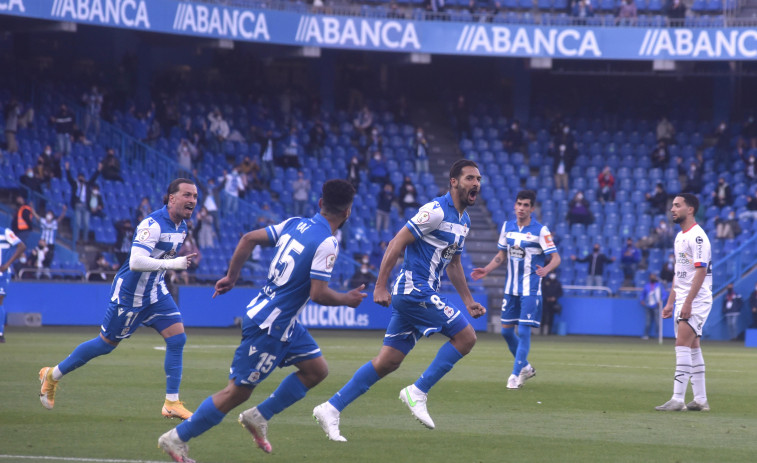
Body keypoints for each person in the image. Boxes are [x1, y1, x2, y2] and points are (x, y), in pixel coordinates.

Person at [157, 179, 366, 461]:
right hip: (271, 326)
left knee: (316, 370)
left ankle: (259, 416)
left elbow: (248, 239)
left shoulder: (295, 223)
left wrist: (232, 277)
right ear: (348, 212)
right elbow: (318, 293)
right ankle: (176, 438)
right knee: (236, 392)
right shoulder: (327, 242)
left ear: (320, 203)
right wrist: (346, 299)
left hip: (281, 320)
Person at [313, 160, 486, 441]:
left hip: (422, 292)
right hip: (414, 289)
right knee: (466, 338)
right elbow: (396, 242)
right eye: (469, 178)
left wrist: (467, 301)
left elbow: (453, 262)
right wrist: (380, 285)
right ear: (453, 182)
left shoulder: (464, 221)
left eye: (478, 179)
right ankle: (417, 391)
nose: (476, 183)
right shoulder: (434, 211)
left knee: (387, 361)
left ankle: (331, 408)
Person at [39, 179, 200, 420]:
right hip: (130, 296)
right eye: (187, 195)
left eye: (195, 196)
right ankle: (51, 375)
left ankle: (171, 403)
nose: (192, 201)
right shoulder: (152, 224)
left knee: (177, 338)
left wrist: (167, 268)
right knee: (104, 345)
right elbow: (136, 262)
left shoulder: (182, 227)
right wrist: (173, 263)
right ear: (172, 197)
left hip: (155, 293)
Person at [471, 189, 561, 389]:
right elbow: (501, 255)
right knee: (505, 332)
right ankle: (526, 368)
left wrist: (546, 269)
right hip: (510, 288)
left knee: (524, 331)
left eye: (526, 205)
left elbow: (556, 258)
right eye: (519, 204)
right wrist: (486, 269)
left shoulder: (541, 231)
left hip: (530, 289)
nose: (521, 208)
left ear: (532, 208)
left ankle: (514, 375)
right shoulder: (507, 227)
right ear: (514, 205)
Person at [655, 193, 712, 412]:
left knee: (682, 344)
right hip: (685, 298)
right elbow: (680, 274)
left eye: (677, 206)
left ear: (690, 210)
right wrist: (671, 302)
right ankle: (700, 399)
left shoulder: (697, 237)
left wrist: (687, 302)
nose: (672, 209)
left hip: (696, 299)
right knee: (693, 346)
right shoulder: (680, 237)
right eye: (672, 206)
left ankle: (678, 399)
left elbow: (701, 270)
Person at [0, 228, 27, 342]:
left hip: (2, 273)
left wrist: (7, 264)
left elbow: (21, 246)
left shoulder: (5, 232)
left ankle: (0, 333)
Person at [66, 161, 101, 244]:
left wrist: (98, 170)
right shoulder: (75, 184)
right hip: (78, 205)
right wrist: (67, 169)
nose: (81, 179)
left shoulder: (87, 184)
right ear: (78, 178)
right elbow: (69, 178)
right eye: (80, 177)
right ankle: (76, 239)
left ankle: (85, 240)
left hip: (86, 206)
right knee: (77, 223)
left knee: (86, 224)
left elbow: (93, 178)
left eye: (82, 177)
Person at [640, 274, 665, 339]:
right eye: (651, 277)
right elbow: (643, 294)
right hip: (648, 305)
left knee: (657, 321)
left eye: (653, 277)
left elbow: (664, 295)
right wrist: (641, 300)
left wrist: (661, 301)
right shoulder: (647, 286)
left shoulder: (659, 286)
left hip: (656, 305)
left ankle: (657, 336)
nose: (652, 278)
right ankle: (646, 335)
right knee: (648, 321)